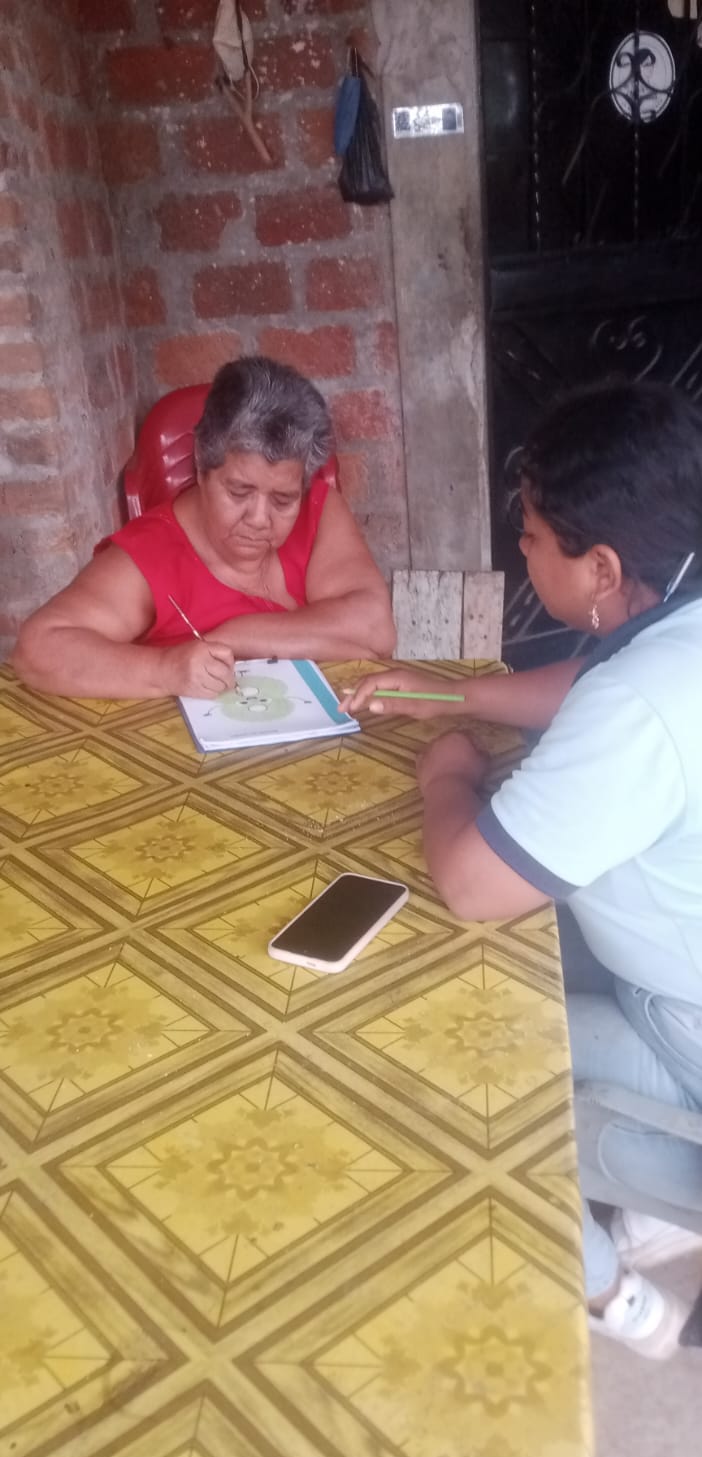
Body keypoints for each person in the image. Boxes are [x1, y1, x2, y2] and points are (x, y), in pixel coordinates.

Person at [340, 380, 702, 1360]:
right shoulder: (674, 625)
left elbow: (473, 883)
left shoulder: (641, 708)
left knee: (449, 1056)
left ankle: (615, 1293)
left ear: (601, 566)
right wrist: (448, 693)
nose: (522, 552)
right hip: (673, 975)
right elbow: (593, 684)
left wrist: (448, 774)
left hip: (685, 1041)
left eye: (533, 538)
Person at [12, 357, 396, 699]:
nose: (259, 518)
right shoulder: (152, 557)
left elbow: (376, 631)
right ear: (201, 466)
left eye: (283, 500)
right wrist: (164, 670)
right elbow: (38, 649)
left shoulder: (318, 511)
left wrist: (234, 637)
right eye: (239, 491)